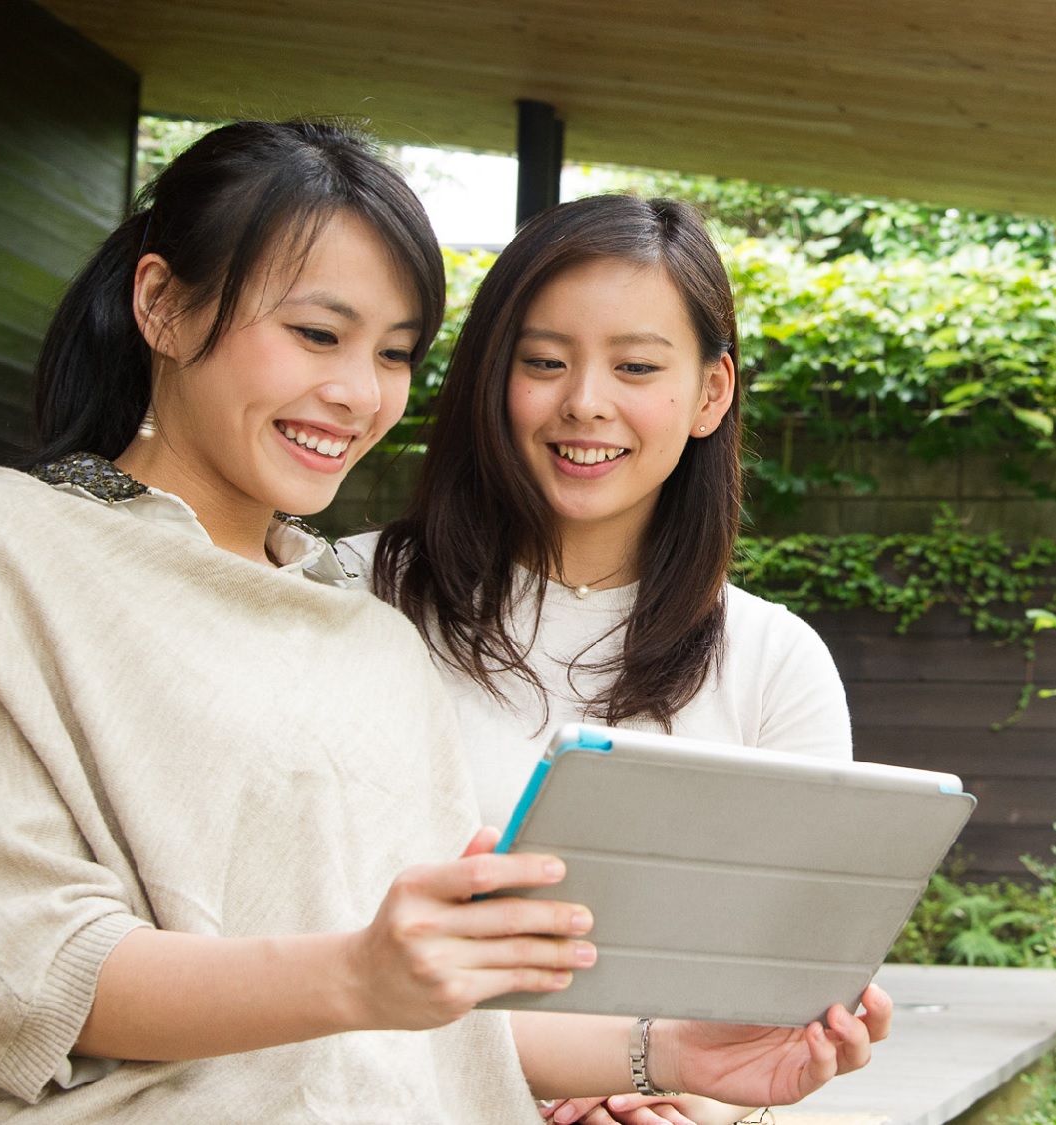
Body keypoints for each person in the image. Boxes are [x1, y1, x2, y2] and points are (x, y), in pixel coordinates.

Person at [0, 122, 887, 1124]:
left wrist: (673, 1054)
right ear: (161, 304)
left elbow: (426, 1014)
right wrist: (358, 976)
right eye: (315, 334)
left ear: (711, 394)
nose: (355, 394)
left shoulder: (361, 628)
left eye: (391, 354)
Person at [343, 196, 857, 1125]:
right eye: (544, 362)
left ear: (710, 394)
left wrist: (702, 1103)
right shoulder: (349, 596)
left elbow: (785, 983)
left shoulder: (777, 663)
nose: (584, 401)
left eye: (635, 366)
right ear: (491, 379)